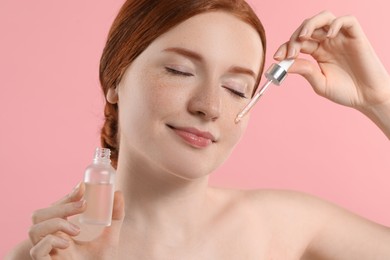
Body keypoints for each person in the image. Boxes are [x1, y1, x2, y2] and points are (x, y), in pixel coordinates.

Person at [6, 0, 390, 259]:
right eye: (179, 71)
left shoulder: (287, 226)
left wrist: (379, 101)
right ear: (114, 79)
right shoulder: (48, 252)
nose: (209, 107)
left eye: (237, 88)